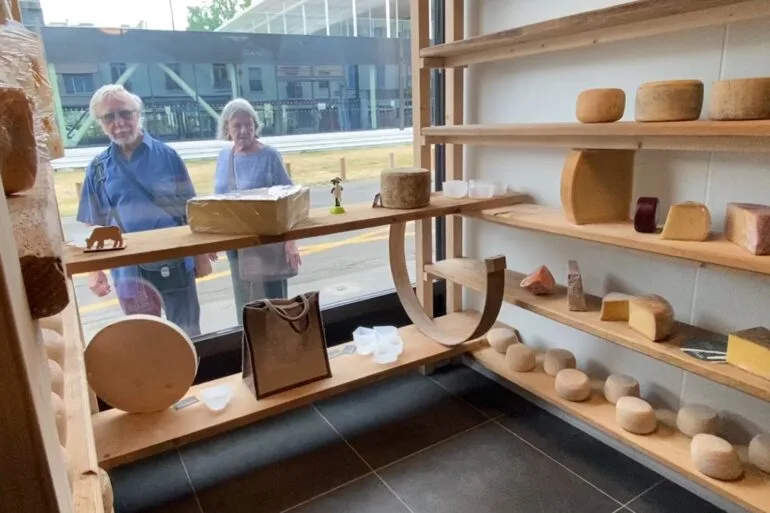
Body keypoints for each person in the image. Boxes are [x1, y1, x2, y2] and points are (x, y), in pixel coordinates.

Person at [76, 84, 214, 338]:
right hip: (129, 273)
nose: (119, 123)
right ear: (101, 123)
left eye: (125, 113)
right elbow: (94, 224)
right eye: (109, 117)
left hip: (175, 264)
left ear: (138, 114)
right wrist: (94, 270)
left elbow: (191, 210)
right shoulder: (97, 168)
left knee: (188, 336)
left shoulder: (168, 156)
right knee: (145, 340)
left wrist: (201, 255)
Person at [213, 98, 301, 322]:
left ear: (255, 125)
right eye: (237, 125)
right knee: (247, 309)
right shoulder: (224, 157)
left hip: (266, 245)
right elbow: (218, 201)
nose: (243, 130)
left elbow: (289, 200)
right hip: (236, 248)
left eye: (248, 124)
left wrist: (290, 241)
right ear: (227, 128)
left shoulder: (269, 156)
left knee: (274, 309)